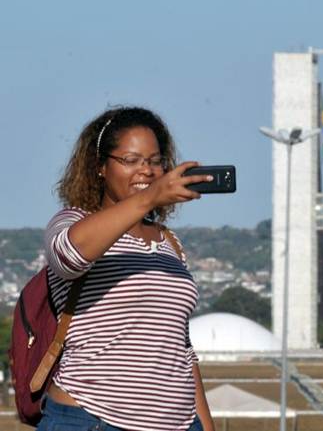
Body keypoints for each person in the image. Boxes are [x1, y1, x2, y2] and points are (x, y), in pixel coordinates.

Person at [38, 107, 216, 431]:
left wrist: (204, 424)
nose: (145, 171)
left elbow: (181, 349)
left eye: (154, 160)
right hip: (92, 419)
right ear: (100, 167)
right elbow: (69, 257)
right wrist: (149, 199)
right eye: (131, 160)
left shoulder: (170, 244)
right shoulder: (73, 223)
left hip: (177, 424)